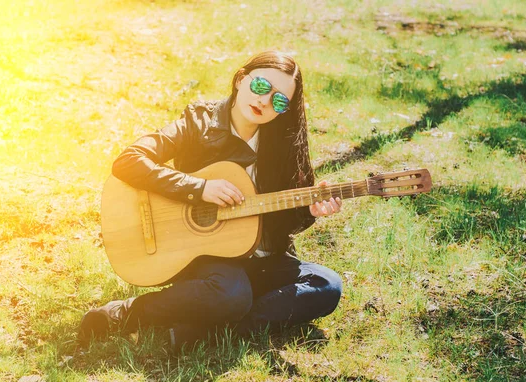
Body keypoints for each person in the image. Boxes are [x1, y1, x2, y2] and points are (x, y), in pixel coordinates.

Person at [78, 50, 343, 348]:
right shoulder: (199, 121)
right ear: (242, 79)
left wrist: (311, 210)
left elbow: (286, 222)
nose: (265, 102)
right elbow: (129, 161)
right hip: (206, 257)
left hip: (263, 259)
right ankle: (128, 313)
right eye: (260, 87)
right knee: (229, 293)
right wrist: (198, 187)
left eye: (279, 100)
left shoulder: (285, 140)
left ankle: (215, 329)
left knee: (327, 286)